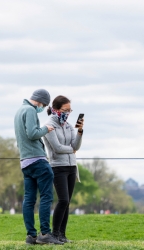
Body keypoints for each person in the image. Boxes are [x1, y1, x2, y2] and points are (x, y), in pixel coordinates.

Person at [14, 89, 63, 245]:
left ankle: (31, 236)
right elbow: (32, 133)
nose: (43, 108)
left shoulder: (19, 111)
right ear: (40, 101)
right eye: (44, 104)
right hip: (37, 160)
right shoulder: (29, 110)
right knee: (46, 197)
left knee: (29, 200)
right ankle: (45, 233)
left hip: (25, 161)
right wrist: (46, 129)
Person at [43, 95, 84, 243]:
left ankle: (62, 235)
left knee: (67, 202)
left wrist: (80, 132)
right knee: (63, 199)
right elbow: (57, 148)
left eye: (70, 110)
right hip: (58, 167)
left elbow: (76, 146)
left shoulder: (68, 126)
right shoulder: (49, 125)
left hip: (72, 167)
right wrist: (71, 150)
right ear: (56, 109)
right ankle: (54, 233)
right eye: (65, 110)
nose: (68, 113)